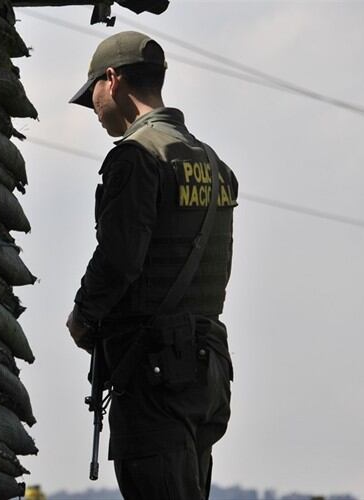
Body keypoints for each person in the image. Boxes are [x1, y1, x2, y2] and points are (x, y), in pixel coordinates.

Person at [65, 31, 238, 500]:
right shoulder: (214, 164)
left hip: (155, 373)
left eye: (93, 95)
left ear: (113, 80)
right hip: (206, 370)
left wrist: (82, 319)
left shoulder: (136, 157)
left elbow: (119, 259)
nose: (94, 108)